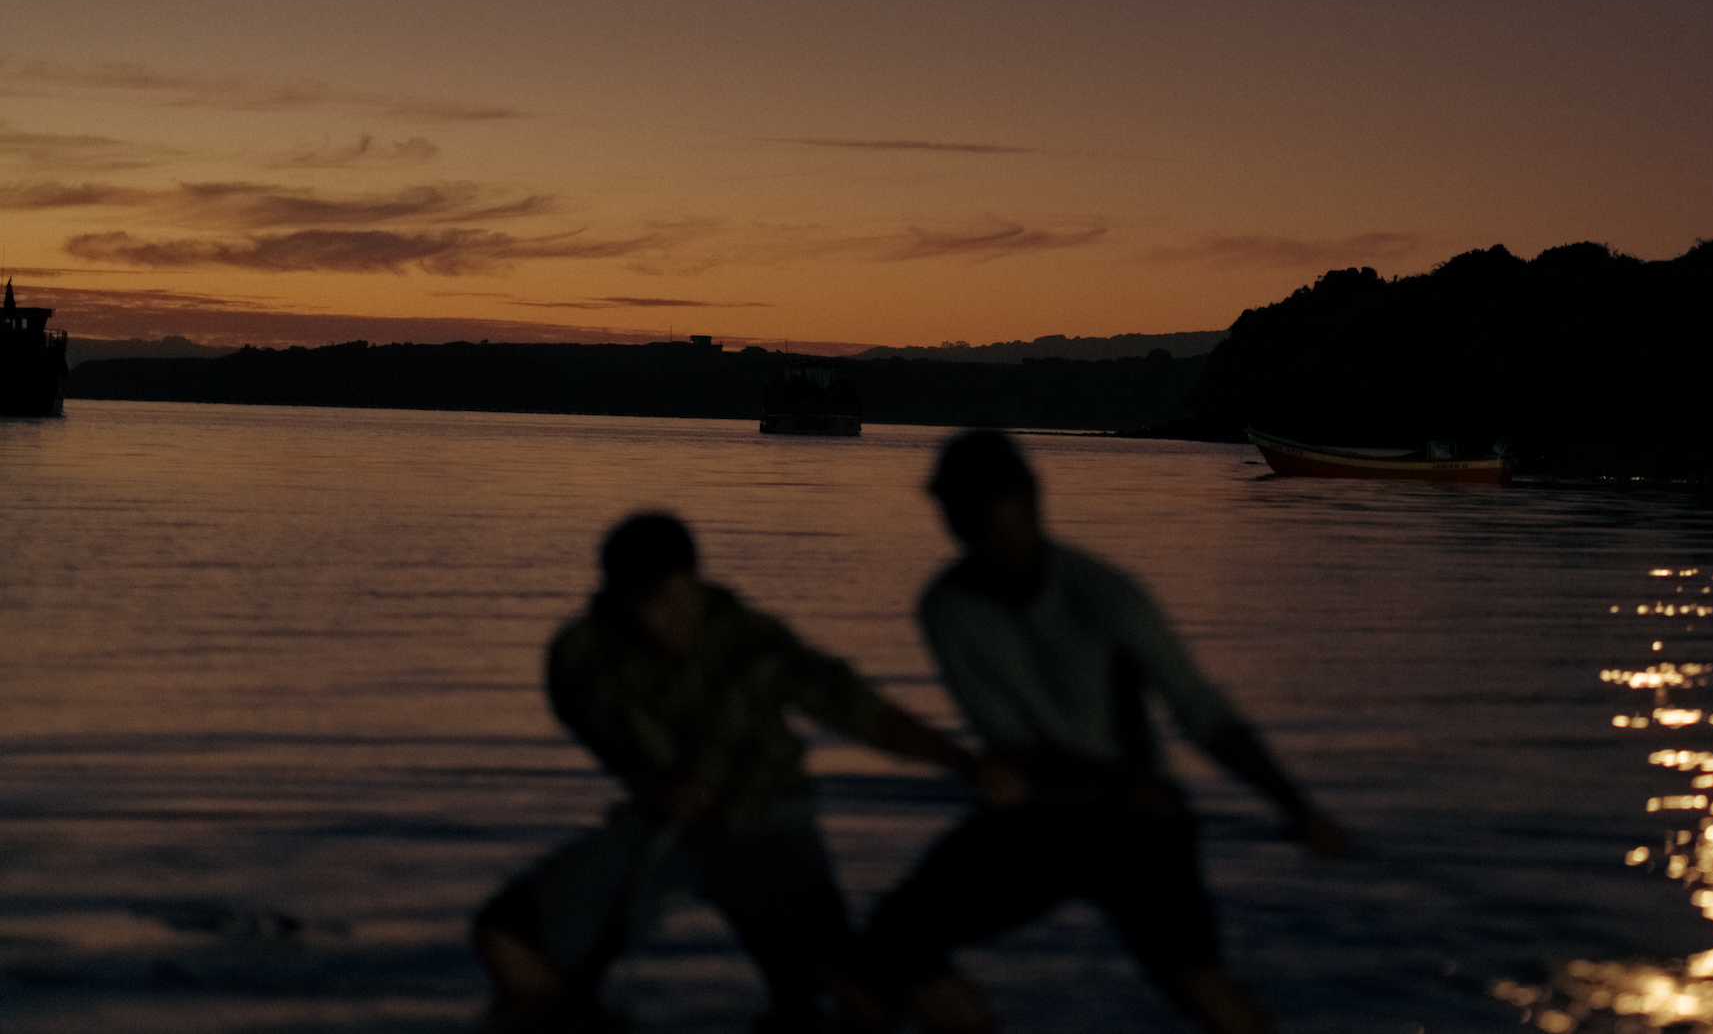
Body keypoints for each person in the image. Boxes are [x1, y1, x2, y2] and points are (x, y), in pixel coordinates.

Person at [864, 430, 1347, 1033]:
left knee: (1196, 983)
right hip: (1041, 818)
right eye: (968, 523)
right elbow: (1014, 742)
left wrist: (1294, 805)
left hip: (1140, 827)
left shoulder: (1103, 593)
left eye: (999, 522)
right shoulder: (946, 607)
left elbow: (1200, 710)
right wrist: (1116, 782)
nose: (989, 543)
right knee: (893, 941)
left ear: (1032, 505)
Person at [473, 511, 1011, 1033]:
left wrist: (964, 762)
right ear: (619, 600)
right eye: (658, 602)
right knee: (508, 941)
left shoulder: (750, 640)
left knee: (856, 996)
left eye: (687, 594)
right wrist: (654, 786)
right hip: (667, 828)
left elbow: (853, 707)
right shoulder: (580, 654)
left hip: (766, 825)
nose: (680, 614)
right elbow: (601, 733)